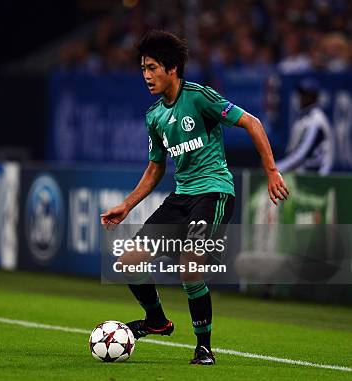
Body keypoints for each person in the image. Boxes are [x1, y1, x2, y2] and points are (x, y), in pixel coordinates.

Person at [100, 31, 289, 365]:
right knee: (129, 262)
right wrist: (127, 205)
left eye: (153, 67)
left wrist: (271, 171)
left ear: (172, 68)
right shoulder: (154, 117)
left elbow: (253, 123)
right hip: (181, 197)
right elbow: (155, 169)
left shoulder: (200, 97)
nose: (146, 74)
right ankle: (156, 321)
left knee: (189, 266)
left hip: (213, 193)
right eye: (143, 67)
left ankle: (204, 347)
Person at [276, 78, 334, 175]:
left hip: (316, 177)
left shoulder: (316, 120)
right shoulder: (303, 118)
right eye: (301, 94)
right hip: (304, 175)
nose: (301, 98)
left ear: (314, 98)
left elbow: (302, 154)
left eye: (305, 95)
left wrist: (275, 168)